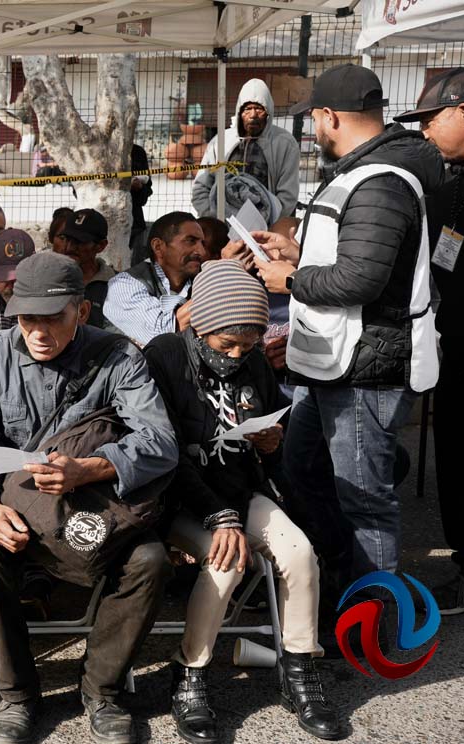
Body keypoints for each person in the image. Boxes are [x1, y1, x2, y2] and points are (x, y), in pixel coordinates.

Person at [0, 252, 177, 744]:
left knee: (151, 562)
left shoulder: (119, 357)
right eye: (27, 317)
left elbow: (161, 442)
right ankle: (16, 695)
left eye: (51, 317)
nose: (36, 330)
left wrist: (89, 469)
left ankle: (102, 691)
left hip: (93, 509)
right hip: (15, 510)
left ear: (81, 311)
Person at [252, 65, 443, 595]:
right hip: (335, 360)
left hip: (365, 367)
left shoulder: (380, 180)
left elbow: (362, 278)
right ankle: (341, 578)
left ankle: (371, 625)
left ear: (329, 116)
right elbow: (353, 255)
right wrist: (297, 252)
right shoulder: (363, 173)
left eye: (313, 119)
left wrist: (288, 277)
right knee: (303, 467)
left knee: (364, 499)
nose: (313, 130)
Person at [143, 260, 344, 744]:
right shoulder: (165, 356)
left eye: (248, 344)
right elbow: (163, 450)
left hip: (238, 487)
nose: (235, 355)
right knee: (226, 560)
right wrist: (221, 515)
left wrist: (271, 444)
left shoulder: (253, 362)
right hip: (177, 497)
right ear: (201, 326)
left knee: (299, 553)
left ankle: (300, 670)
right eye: (225, 344)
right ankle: (190, 672)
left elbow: (267, 436)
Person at [395, 67, 464, 613]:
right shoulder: (458, 182)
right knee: (459, 469)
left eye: (431, 118)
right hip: (458, 353)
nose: (425, 131)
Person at [192, 78, 301, 223]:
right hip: (222, 223)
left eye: (259, 109)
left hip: (267, 225)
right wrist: (213, 219)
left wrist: (268, 223)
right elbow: (201, 187)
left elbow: (288, 195)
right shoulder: (221, 141)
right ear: (239, 112)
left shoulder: (285, 143)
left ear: (269, 112)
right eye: (247, 109)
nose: (253, 115)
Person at [104, 212, 208, 347]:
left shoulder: (199, 281)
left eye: (202, 243)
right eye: (190, 241)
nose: (201, 251)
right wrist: (221, 283)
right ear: (158, 246)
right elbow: (161, 332)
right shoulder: (123, 285)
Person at [54, 208, 110, 329]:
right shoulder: (48, 277)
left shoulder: (116, 285)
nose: (69, 247)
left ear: (101, 246)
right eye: (66, 239)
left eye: (79, 241)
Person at [129, 144, 154, 264]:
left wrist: (139, 188)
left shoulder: (137, 152)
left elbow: (147, 188)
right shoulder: (95, 150)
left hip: (134, 224)